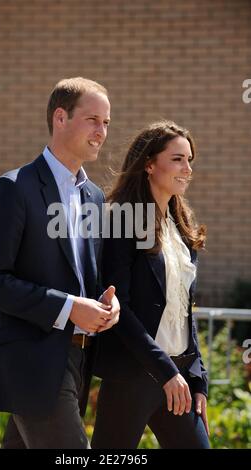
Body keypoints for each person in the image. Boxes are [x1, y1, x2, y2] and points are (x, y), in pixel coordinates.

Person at [0, 77, 120, 449]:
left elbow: (85, 276)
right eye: (93, 120)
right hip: (30, 359)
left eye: (107, 123)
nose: (102, 132)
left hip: (77, 358)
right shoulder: (14, 188)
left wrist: (106, 306)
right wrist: (68, 308)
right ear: (60, 118)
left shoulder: (94, 198)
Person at [92, 120, 210, 449]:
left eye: (190, 160)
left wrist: (198, 378)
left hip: (180, 375)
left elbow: (185, 308)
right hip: (134, 373)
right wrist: (164, 370)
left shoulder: (182, 225)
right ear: (149, 164)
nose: (187, 168)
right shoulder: (122, 219)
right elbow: (119, 308)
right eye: (177, 159)